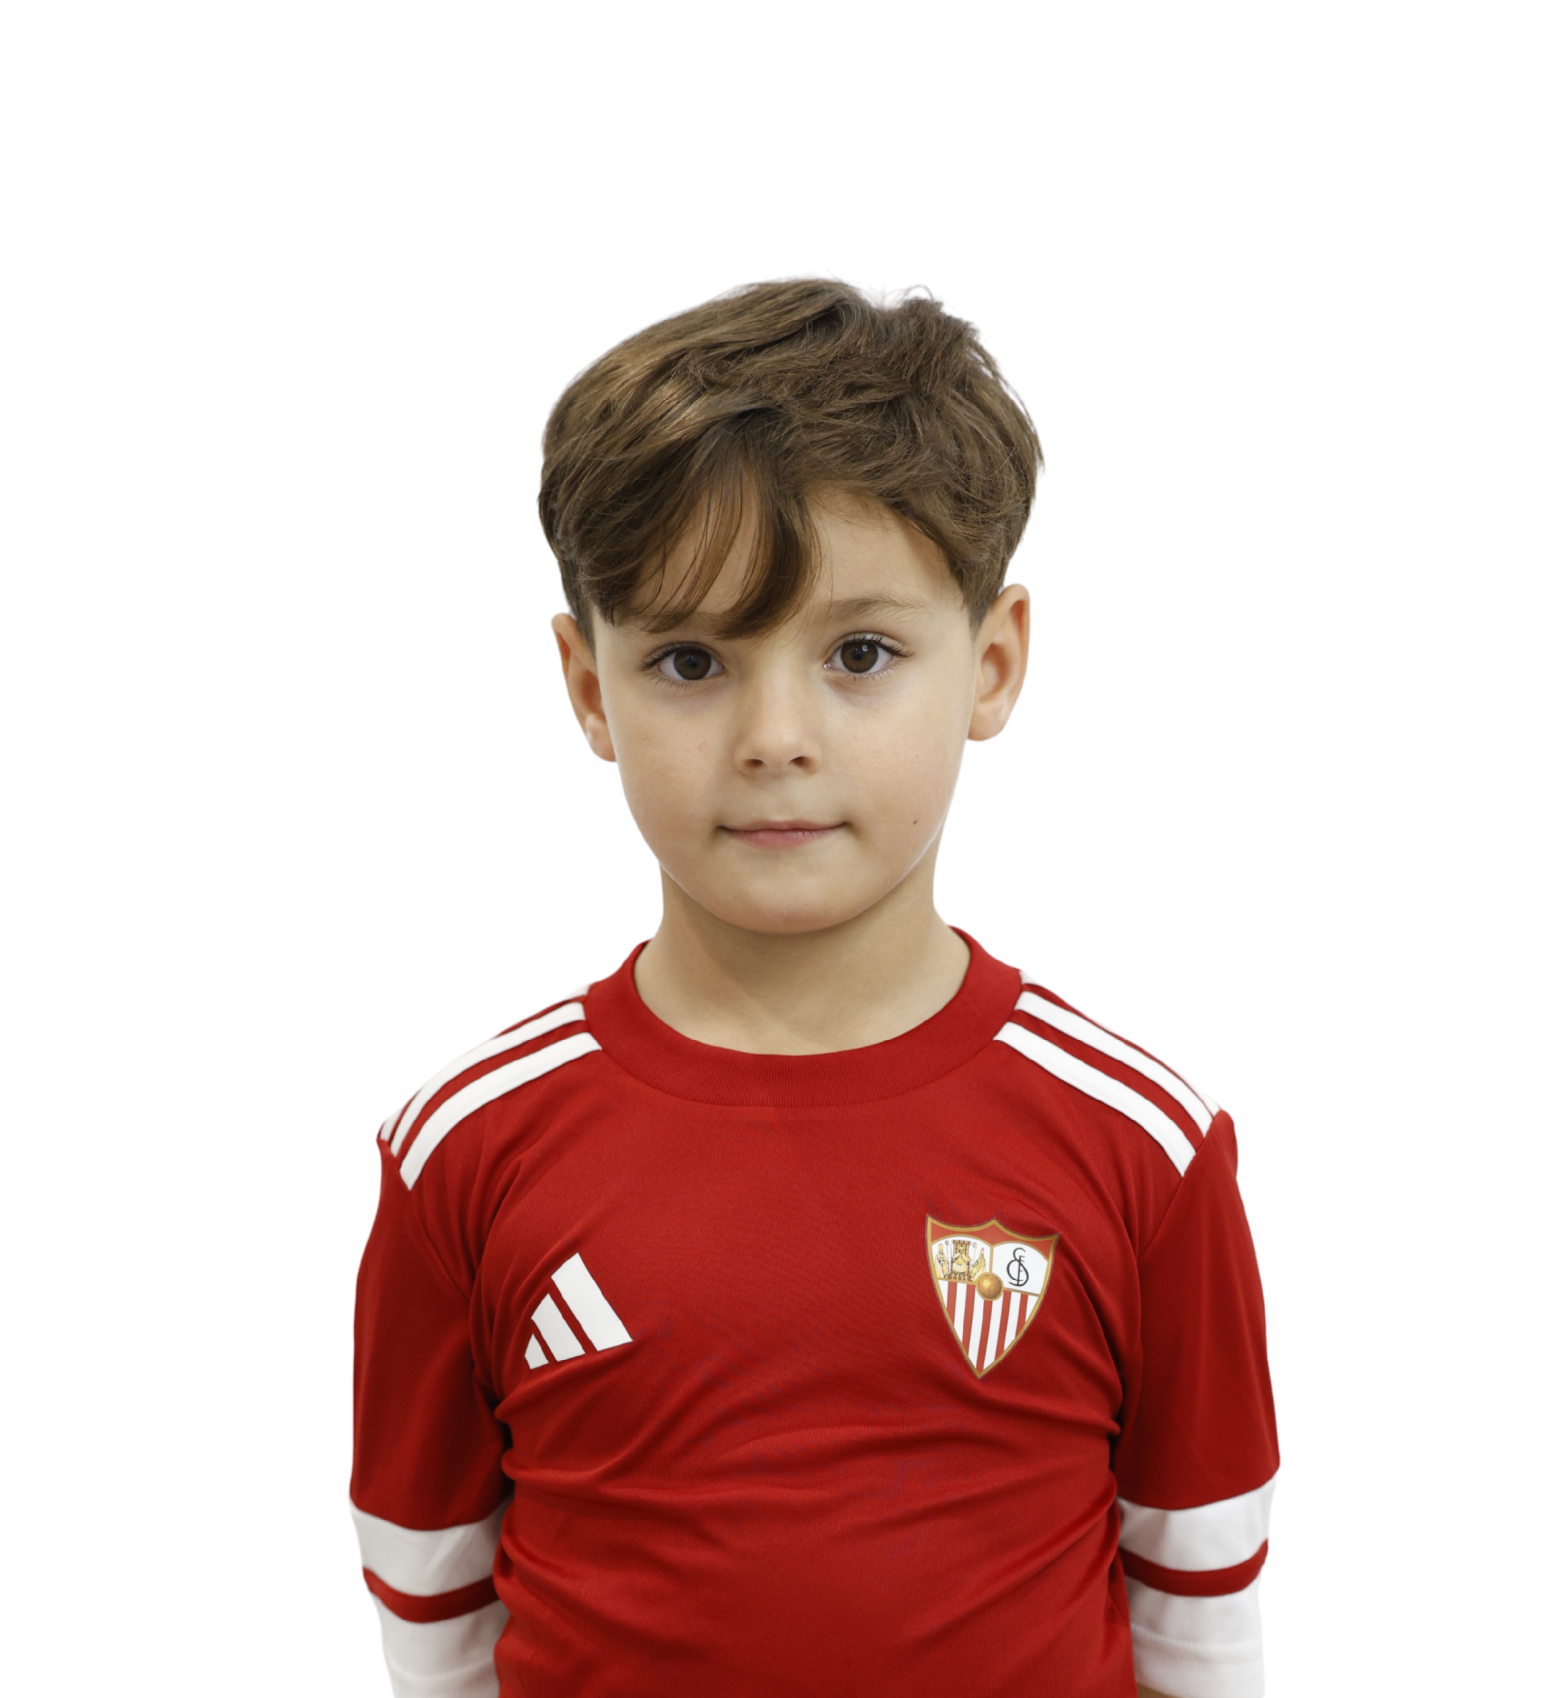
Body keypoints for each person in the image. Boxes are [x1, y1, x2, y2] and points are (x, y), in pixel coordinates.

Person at [348, 272, 1280, 1697]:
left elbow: (1196, 1613)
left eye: (858, 653)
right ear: (588, 687)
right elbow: (430, 1598)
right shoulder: (462, 1144)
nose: (774, 735)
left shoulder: (1145, 1143)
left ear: (993, 663)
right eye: (689, 658)